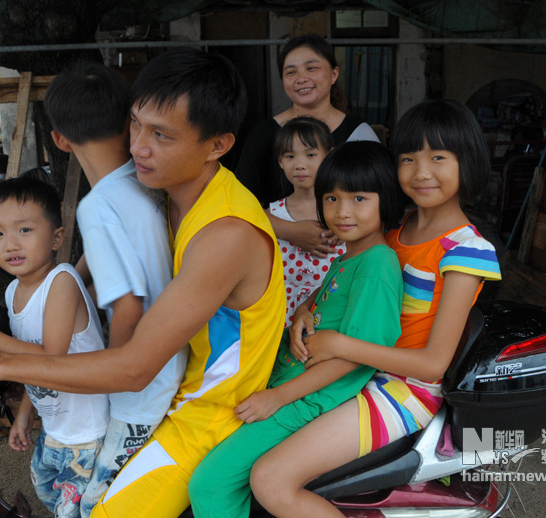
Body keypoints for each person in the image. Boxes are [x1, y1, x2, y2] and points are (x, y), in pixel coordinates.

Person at [0, 47, 286, 518]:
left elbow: (133, 369)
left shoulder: (223, 235)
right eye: (136, 123)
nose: (138, 145)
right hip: (170, 387)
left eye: (161, 135)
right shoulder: (163, 190)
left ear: (217, 145)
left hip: (207, 411)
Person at [249, 99, 503, 518]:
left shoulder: (466, 251)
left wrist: (340, 345)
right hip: (356, 369)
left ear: (468, 161)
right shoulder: (396, 230)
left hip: (402, 390)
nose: (421, 172)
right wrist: (306, 310)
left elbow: (432, 364)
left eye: (438, 157)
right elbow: (344, 275)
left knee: (270, 478)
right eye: (408, 158)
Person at [188, 141, 405, 518]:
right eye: (332, 199)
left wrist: (279, 398)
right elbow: (323, 296)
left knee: (210, 483)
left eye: (359, 199)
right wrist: (302, 312)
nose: (342, 212)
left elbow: (354, 357)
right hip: (290, 385)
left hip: (306, 401)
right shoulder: (351, 256)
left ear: (385, 199)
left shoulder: (376, 266)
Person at [44, 62, 188, 517]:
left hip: (140, 393)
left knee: (96, 506)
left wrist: (114, 373)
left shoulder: (98, 208)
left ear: (60, 140)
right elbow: (119, 251)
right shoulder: (144, 182)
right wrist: (73, 277)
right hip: (174, 362)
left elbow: (128, 307)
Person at [0, 176, 109, 517]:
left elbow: (51, 360)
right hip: (56, 428)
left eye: (25, 230)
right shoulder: (13, 291)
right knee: (47, 490)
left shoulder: (61, 281)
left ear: (57, 237)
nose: (11, 244)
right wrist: (26, 413)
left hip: (87, 435)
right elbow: (26, 357)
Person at [236, 34, 380, 258]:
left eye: (311, 68)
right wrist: (289, 230)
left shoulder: (359, 135)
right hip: (278, 263)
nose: (301, 78)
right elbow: (238, 203)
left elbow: (380, 203)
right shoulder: (265, 134)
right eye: (291, 72)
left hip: (346, 260)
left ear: (334, 74)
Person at [269, 116, 344, 326]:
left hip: (330, 312)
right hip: (281, 316)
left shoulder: (344, 210)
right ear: (280, 161)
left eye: (310, 154)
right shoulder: (272, 213)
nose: (300, 165)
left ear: (329, 155)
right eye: (290, 156)